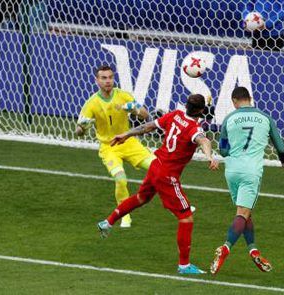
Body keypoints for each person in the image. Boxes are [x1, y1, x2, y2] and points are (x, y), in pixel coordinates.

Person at [97, 94, 219, 275]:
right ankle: (184, 265)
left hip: (155, 164)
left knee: (141, 198)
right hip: (168, 175)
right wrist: (209, 156)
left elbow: (148, 126)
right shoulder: (194, 128)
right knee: (186, 217)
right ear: (201, 110)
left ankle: (107, 222)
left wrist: (126, 133)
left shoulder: (175, 115)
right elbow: (204, 140)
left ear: (185, 106)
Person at [210, 87, 284, 274]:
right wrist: (283, 160)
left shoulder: (230, 119)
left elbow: (223, 150)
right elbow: (280, 146)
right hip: (251, 172)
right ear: (250, 99)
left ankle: (253, 250)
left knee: (244, 212)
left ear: (234, 101)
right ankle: (225, 248)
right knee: (243, 213)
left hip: (232, 171)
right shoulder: (265, 117)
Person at [76, 65, 154, 228]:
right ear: (97, 80)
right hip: (109, 147)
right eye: (104, 78)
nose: (108, 81)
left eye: (110, 77)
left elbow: (146, 115)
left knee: (160, 169)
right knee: (121, 180)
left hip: (129, 142)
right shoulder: (91, 103)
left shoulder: (123, 96)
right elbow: (78, 131)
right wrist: (83, 127)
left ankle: (182, 205)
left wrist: (135, 110)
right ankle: (125, 216)